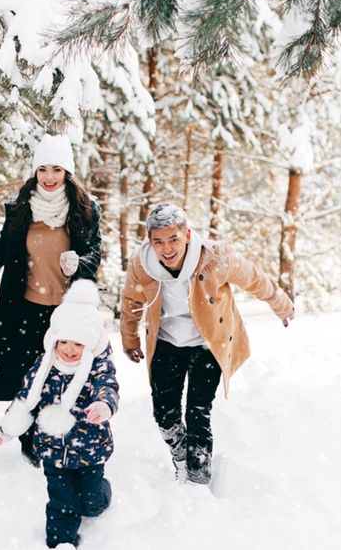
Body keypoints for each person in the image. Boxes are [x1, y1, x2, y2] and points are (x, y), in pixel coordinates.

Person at [120, 203, 294, 486]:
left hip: (207, 343)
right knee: (164, 415)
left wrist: (281, 304)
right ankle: (180, 457)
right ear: (150, 241)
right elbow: (131, 302)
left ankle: (198, 478)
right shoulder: (142, 263)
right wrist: (130, 339)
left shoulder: (215, 257)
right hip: (166, 343)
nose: (167, 249)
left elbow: (255, 279)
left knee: (198, 412)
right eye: (159, 241)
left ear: (187, 234)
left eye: (173, 239)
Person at [0, 134, 101, 462]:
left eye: (56, 169)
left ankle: (59, 433)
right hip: (24, 306)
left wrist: (80, 263)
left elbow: (95, 251)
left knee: (61, 373)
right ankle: (30, 439)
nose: (49, 177)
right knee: (26, 374)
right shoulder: (21, 208)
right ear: (35, 171)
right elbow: (1, 250)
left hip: (66, 312)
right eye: (43, 169)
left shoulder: (84, 208)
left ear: (67, 171)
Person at [0, 279, 119, 550]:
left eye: (78, 343)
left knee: (91, 503)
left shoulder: (97, 367)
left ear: (90, 344)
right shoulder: (44, 366)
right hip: (52, 450)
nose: (70, 349)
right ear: (54, 340)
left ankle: (102, 494)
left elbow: (107, 387)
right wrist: (7, 429)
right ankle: (61, 543)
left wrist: (104, 406)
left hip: (89, 450)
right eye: (64, 341)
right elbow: (26, 399)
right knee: (62, 502)